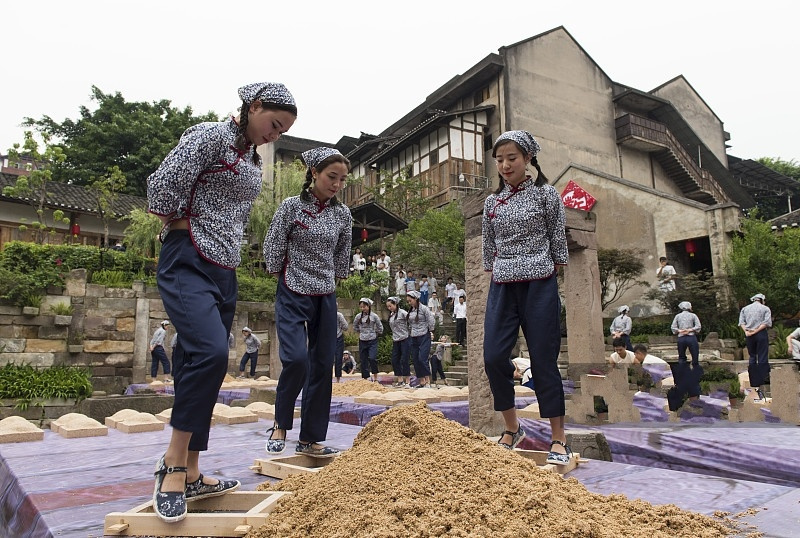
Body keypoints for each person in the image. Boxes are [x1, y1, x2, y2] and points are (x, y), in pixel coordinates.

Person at [147, 81, 296, 522]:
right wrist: (177, 217)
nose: (275, 135)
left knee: (203, 361)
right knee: (212, 352)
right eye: (274, 124)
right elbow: (161, 186)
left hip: (224, 268)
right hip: (188, 256)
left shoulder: (251, 157)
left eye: (283, 131)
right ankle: (172, 466)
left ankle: (193, 469)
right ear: (254, 107)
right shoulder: (209, 136)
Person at [482, 130, 570, 465]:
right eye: (500, 159)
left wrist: (547, 271)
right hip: (504, 285)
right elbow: (488, 247)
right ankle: (511, 427)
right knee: (493, 356)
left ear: (528, 158)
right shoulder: (492, 202)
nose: (505, 165)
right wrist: (498, 270)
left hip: (539, 283)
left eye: (511, 158)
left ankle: (559, 438)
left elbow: (557, 240)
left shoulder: (546, 195)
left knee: (544, 359)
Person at [263, 146, 352, 458]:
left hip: (325, 294)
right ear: (314, 173)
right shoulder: (291, 207)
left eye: (342, 179)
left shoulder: (343, 214)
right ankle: (280, 423)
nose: (337, 184)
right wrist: (279, 274)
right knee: (296, 359)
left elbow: (343, 252)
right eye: (331, 177)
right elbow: (274, 242)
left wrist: (334, 279)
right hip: (292, 288)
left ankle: (310, 438)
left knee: (321, 366)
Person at [739, 293, 772, 401]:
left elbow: (741, 322)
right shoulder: (765, 308)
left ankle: (754, 382)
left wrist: (747, 332)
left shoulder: (745, 309)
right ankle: (762, 380)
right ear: (762, 300)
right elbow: (766, 323)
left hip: (749, 334)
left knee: (752, 356)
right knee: (762, 356)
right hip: (760, 333)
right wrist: (756, 331)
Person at [406, 290, 435, 388]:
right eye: (408, 301)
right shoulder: (411, 310)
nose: (409, 303)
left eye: (410, 301)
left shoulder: (424, 309)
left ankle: (427, 380)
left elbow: (430, 319)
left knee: (422, 358)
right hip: (414, 336)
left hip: (424, 335)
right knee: (415, 359)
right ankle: (421, 380)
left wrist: (431, 330)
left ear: (416, 299)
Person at [353, 297, 383, 382]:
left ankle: (375, 376)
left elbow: (380, 326)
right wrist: (360, 332)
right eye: (361, 307)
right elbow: (355, 326)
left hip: (372, 340)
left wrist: (376, 333)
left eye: (364, 307)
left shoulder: (374, 316)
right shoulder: (358, 316)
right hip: (362, 339)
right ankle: (365, 378)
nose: (363, 308)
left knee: (372, 358)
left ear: (368, 306)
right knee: (363, 359)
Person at [386, 296, 411, 387]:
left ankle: (407, 380)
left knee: (405, 359)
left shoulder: (403, 313)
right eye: (388, 307)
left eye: (390, 306)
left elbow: (410, 321)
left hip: (405, 338)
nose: (389, 308)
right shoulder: (391, 315)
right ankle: (400, 379)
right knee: (395, 360)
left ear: (395, 304)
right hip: (396, 339)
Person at [671, 301, 701, 366]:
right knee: (695, 354)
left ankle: (682, 370)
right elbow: (698, 326)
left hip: (681, 337)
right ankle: (695, 370)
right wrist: (690, 330)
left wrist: (680, 331)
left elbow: (673, 327)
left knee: (681, 356)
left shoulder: (677, 316)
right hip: (691, 337)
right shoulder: (693, 315)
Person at [333, 311, 349, 383]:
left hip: (338, 338)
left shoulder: (339, 315)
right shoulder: (324, 314)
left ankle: (337, 379)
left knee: (338, 358)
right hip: (327, 338)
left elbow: (345, 326)